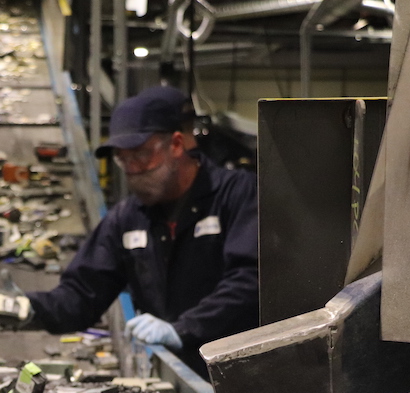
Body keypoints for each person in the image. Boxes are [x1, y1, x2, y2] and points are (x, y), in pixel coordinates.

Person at [25, 86, 259, 376]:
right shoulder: (127, 218)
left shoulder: (238, 194)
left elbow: (251, 280)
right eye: (123, 159)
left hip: (241, 372)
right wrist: (29, 308)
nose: (133, 169)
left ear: (175, 144)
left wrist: (185, 328)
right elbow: (82, 295)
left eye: (141, 155)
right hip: (174, 375)